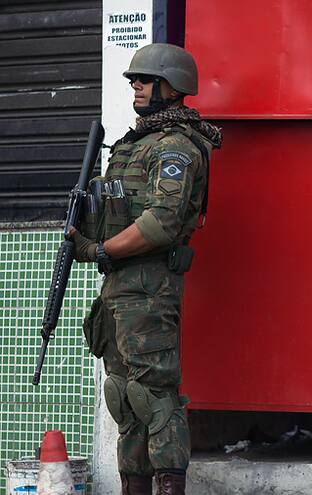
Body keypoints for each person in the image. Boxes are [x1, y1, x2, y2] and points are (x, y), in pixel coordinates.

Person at [71, 43, 222, 495]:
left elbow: (162, 223)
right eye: (134, 80)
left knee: (154, 397)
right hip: (119, 286)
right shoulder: (133, 144)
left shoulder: (176, 147)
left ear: (172, 87)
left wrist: (101, 250)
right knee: (124, 397)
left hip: (149, 285)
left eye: (145, 80)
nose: (135, 86)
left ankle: (170, 484)